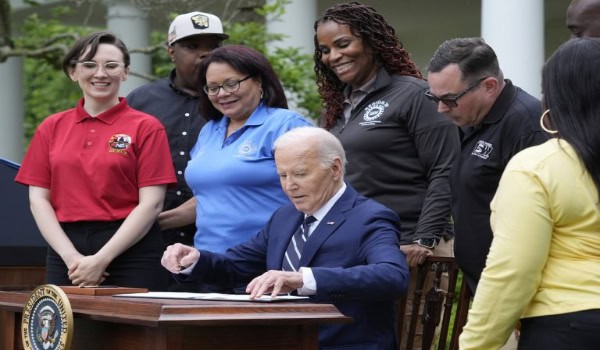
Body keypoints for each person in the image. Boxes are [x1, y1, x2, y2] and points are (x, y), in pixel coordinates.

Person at [162, 126, 409, 350]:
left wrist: (304, 279)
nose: (289, 186)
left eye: (300, 174)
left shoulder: (370, 217)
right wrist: (194, 260)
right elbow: (235, 266)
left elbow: (392, 276)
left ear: (335, 168)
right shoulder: (285, 216)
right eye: (282, 175)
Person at [313, 2, 459, 347]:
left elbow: (446, 167)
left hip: (410, 248)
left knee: (411, 340)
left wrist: (425, 239)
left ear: (373, 41)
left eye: (343, 44)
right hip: (357, 254)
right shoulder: (336, 110)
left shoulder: (414, 94)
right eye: (324, 50)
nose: (333, 56)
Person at [459, 37, 600, 350]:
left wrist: (476, 343)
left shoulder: (537, 166)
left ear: (554, 98)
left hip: (570, 325)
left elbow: (513, 270)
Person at [15, 32, 176, 290]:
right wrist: (71, 258)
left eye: (111, 66)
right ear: (73, 72)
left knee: (132, 330)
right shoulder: (51, 127)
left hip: (131, 249)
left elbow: (152, 203)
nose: (100, 73)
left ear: (125, 72)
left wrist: (102, 259)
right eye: (89, 65)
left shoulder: (147, 127)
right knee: (66, 329)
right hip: (65, 250)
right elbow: (38, 199)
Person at [166, 45, 311, 284]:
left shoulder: (285, 125)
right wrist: (151, 222)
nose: (222, 93)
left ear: (259, 81)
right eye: (213, 87)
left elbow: (318, 192)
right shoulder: (209, 131)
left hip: (265, 265)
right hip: (207, 263)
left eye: (232, 83)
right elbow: (210, 196)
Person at [426, 37, 547, 296]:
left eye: (449, 99)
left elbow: (537, 223)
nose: (440, 109)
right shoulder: (472, 119)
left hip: (519, 293)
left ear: (490, 86)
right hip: (487, 286)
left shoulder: (527, 126)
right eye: (433, 97)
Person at [126, 11, 228, 249]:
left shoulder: (233, 102)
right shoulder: (140, 101)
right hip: (148, 240)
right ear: (171, 51)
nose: (205, 54)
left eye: (214, 47)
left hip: (217, 240)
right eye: (192, 46)